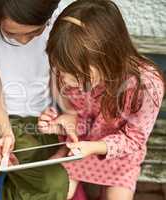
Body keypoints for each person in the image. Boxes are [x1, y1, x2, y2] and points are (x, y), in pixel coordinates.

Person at [38, 0, 165, 199]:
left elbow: (134, 139)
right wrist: (66, 118)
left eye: (78, 76)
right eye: (61, 72)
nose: (69, 82)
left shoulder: (145, 85)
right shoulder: (69, 64)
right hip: (81, 142)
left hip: (121, 154)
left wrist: (95, 147)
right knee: (57, 192)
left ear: (108, 57)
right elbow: (71, 106)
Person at [0, 0, 76, 199]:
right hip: (0, 118)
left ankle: (3, 189)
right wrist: (6, 133)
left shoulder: (58, 20)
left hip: (43, 114)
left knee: (49, 168)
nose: (23, 41)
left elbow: (56, 75)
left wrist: (70, 111)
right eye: (11, 34)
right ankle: (5, 188)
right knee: (54, 182)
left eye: (34, 32)